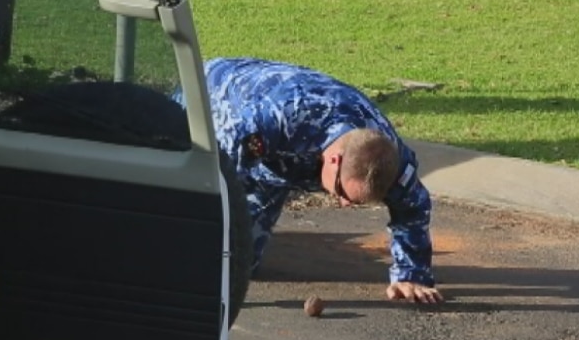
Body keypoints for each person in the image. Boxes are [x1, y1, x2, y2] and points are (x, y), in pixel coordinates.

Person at [184, 57, 443, 304]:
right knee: (202, 261)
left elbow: (413, 206)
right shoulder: (277, 117)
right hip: (214, 97)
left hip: (277, 164)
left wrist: (411, 274)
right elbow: (215, 178)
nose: (343, 203)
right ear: (334, 160)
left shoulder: (391, 157)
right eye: (342, 191)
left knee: (239, 267)